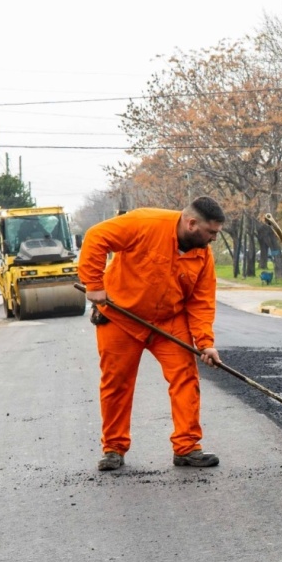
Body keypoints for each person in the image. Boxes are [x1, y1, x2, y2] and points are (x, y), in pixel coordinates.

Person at [78, 196, 226, 471]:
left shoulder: (202, 254)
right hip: (122, 317)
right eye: (211, 232)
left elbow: (202, 301)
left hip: (169, 321)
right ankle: (113, 449)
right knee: (116, 384)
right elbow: (96, 236)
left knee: (185, 377)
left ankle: (187, 447)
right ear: (192, 223)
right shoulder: (145, 222)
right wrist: (94, 284)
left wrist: (205, 343)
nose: (214, 239)